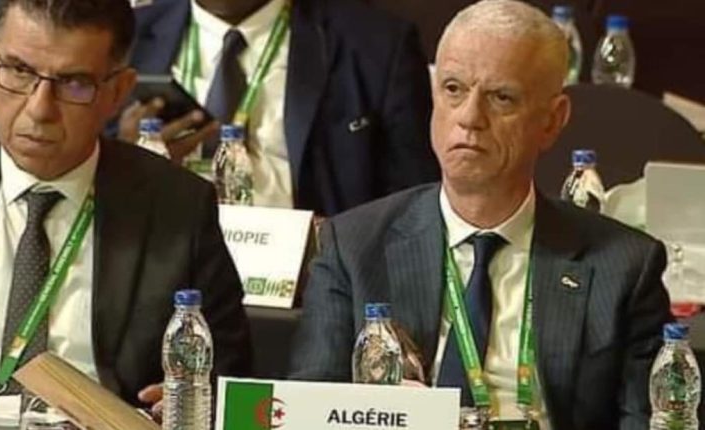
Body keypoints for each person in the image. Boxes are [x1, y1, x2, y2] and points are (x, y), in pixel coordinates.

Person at [288, 1, 672, 428]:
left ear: (552, 121)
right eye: (453, 89)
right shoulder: (354, 247)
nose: (470, 118)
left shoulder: (624, 268)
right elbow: (306, 412)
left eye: (501, 98)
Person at [0, 0, 251, 409]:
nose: (39, 109)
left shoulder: (178, 207)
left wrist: (193, 401)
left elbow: (231, 378)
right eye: (19, 71)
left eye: (73, 83)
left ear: (118, 91)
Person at [116, 0, 439, 216]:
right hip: (165, 267)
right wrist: (126, 158)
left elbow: (414, 203)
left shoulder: (376, 43)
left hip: (309, 278)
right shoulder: (123, 35)